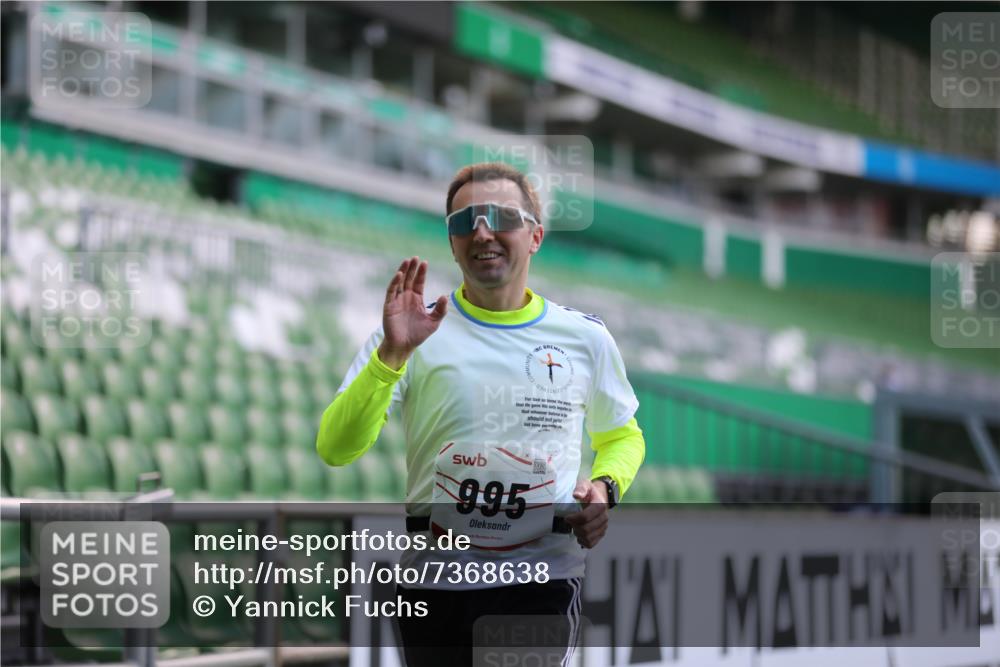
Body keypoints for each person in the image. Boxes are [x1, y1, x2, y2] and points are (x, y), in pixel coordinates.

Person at [317, 162, 645, 666]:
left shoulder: (585, 338)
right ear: (451, 243)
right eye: (464, 221)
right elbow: (335, 449)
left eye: (501, 217)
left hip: (540, 580)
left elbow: (623, 436)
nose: (482, 231)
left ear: (535, 236)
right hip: (433, 584)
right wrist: (390, 359)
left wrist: (605, 488)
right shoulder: (410, 333)